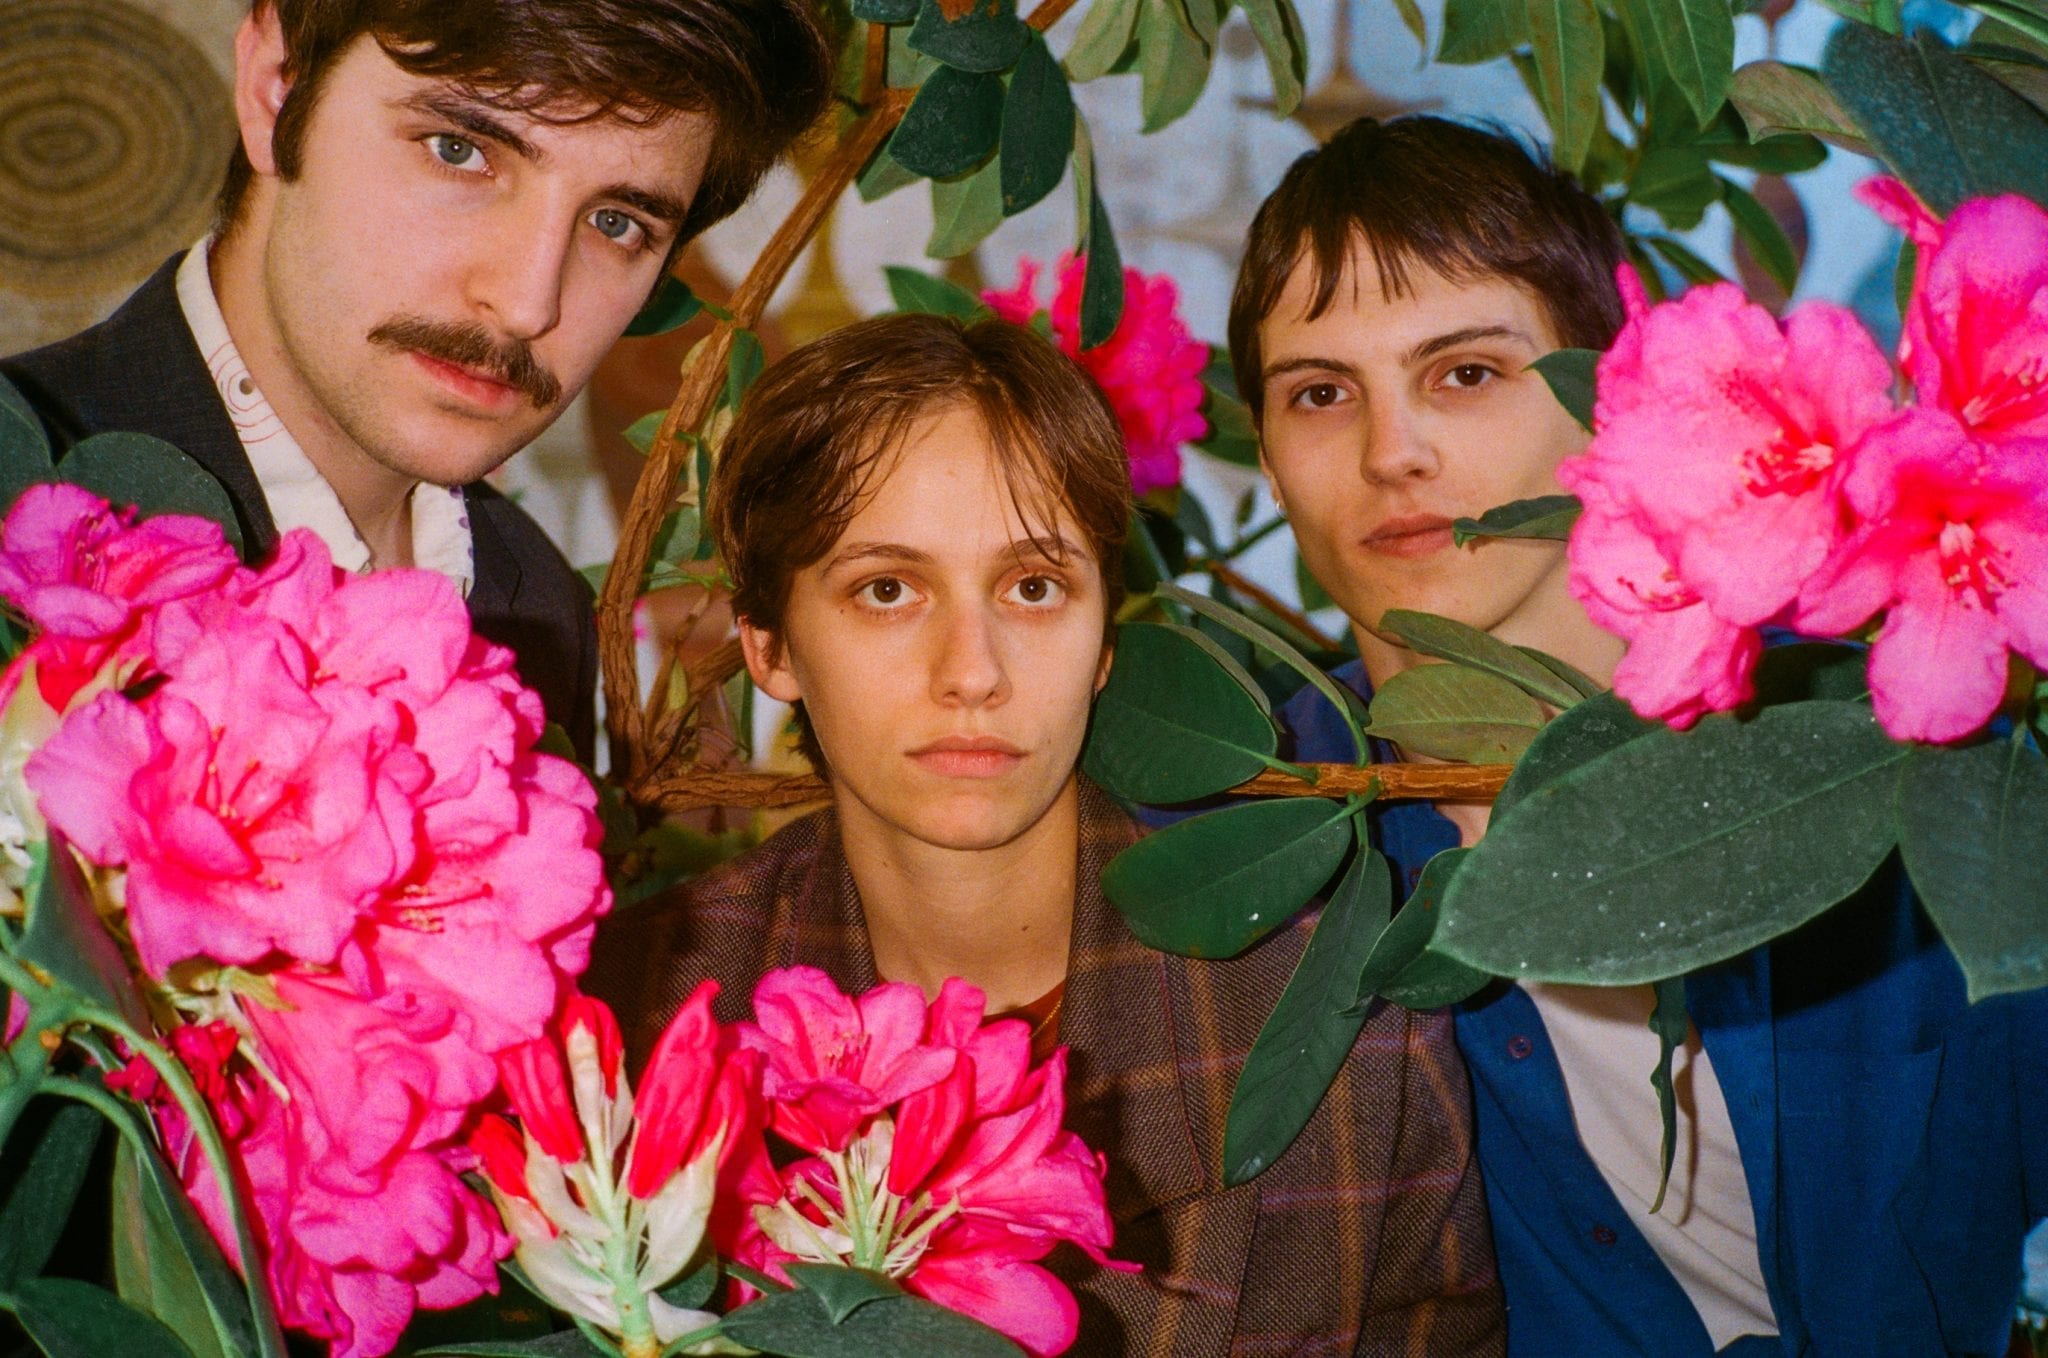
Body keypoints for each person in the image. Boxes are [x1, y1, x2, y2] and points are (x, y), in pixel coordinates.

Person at [1230, 114, 2048, 1356]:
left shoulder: (1895, 737)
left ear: (1603, 389)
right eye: (1319, 393)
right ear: (1266, 452)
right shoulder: (1256, 820)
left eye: (1464, 371)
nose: (1391, 451)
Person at [587, 311, 1507, 1356]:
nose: (972, 671)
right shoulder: (642, 1013)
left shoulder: (1334, 1020)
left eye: (1032, 588)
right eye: (886, 590)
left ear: (1104, 639)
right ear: (770, 646)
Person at [0, 0, 834, 759]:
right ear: (275, 89)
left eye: (615, 223)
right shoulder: (15, 485)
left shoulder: (540, 610)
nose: (526, 304)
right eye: (459, 151)